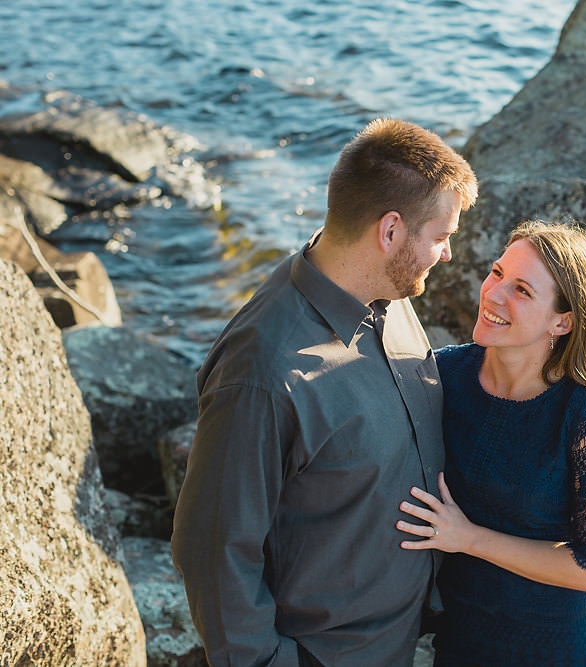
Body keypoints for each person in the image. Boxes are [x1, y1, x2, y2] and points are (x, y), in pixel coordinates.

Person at [171, 118, 478, 666]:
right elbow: (212, 550)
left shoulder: (389, 294)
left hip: (410, 640)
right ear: (390, 232)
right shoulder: (263, 371)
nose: (447, 254)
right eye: (441, 236)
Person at [396, 219, 586, 666]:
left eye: (522, 290)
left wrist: (468, 538)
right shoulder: (441, 375)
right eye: (497, 272)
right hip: (463, 643)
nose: (493, 293)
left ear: (562, 321)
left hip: (566, 650)